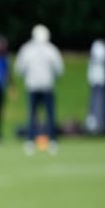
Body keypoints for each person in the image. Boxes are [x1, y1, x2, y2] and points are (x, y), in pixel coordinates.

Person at [15, 24, 64, 155]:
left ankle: (31, 141)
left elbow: (19, 68)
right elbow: (59, 69)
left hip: (32, 86)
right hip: (47, 85)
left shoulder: (27, 49)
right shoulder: (51, 49)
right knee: (49, 114)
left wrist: (27, 77)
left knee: (32, 114)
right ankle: (52, 141)